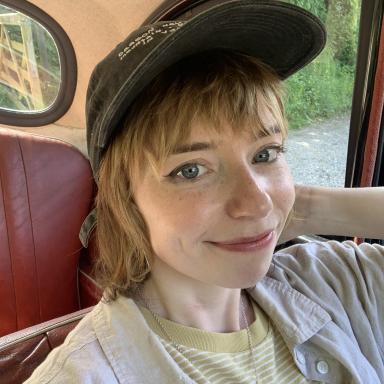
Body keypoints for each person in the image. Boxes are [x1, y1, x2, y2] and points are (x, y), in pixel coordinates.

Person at [25, 1, 383, 383]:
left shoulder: (334, 281)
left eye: (265, 154)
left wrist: (305, 209)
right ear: (126, 199)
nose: (256, 201)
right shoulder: (81, 375)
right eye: (191, 170)